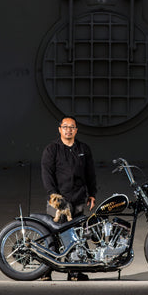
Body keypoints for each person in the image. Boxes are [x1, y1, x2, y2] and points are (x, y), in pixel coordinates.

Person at [40, 116, 97, 281]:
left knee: (76, 235)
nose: (68, 130)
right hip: (58, 201)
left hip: (78, 198)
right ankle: (45, 272)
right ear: (60, 129)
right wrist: (53, 195)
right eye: (65, 127)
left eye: (72, 127)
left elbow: (90, 174)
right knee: (52, 234)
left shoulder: (83, 149)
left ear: (76, 130)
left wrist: (92, 194)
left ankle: (74, 272)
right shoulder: (52, 149)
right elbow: (47, 174)